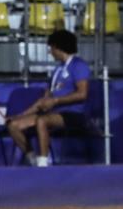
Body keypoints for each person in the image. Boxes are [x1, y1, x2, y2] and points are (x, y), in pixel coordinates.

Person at [6, 29, 90, 167]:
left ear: (58, 47)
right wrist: (20, 115)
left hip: (72, 114)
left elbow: (82, 94)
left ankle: (43, 163)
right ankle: (33, 159)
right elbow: (44, 100)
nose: (49, 52)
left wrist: (56, 101)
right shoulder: (57, 70)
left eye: (51, 48)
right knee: (13, 125)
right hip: (52, 113)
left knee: (41, 121)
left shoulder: (79, 65)